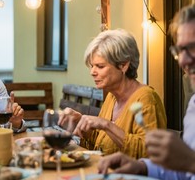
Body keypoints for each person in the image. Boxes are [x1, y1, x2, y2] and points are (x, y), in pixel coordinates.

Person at [98, 4, 195, 180]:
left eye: (193, 47)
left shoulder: (146, 98)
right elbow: (184, 175)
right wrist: (143, 167)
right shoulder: (194, 106)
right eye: (180, 50)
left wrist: (190, 161)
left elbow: (187, 165)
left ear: (123, 66)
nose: (183, 60)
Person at [58, 29, 167, 158]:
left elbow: (150, 152)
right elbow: (102, 144)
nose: (92, 72)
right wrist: (79, 122)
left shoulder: (146, 99)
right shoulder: (112, 96)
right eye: (92, 66)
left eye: (100, 66)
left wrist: (106, 125)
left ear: (123, 65)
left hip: (132, 177)